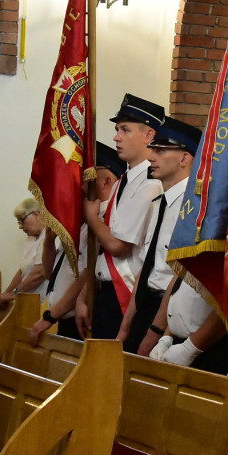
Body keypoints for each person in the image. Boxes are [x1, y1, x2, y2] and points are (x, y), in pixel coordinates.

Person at [117, 116, 201, 353]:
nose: (151, 156)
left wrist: (156, 331)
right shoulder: (162, 201)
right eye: (152, 149)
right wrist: (126, 327)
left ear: (185, 157)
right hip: (147, 305)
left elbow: (181, 274)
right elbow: (147, 266)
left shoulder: (192, 207)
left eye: (161, 150)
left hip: (169, 315)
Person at [83, 93, 164, 339]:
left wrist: (92, 217)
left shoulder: (151, 183)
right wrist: (83, 296)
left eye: (125, 130)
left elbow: (118, 246)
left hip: (125, 295)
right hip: (106, 292)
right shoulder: (125, 181)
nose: (116, 137)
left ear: (149, 135)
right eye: (118, 129)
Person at [30, 142, 122, 344]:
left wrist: (50, 317)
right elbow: (49, 273)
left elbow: (88, 275)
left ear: (106, 182)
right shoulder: (82, 223)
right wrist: (49, 240)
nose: (80, 184)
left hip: (80, 321)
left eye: (88, 177)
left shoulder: (104, 221)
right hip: (62, 317)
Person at [0, 198, 46, 310]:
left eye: (22, 220)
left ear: (37, 215)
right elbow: (23, 271)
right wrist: (6, 293)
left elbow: (40, 272)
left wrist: (14, 293)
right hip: (28, 302)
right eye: (19, 222)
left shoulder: (49, 236)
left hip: (44, 306)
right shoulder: (31, 238)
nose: (20, 226)